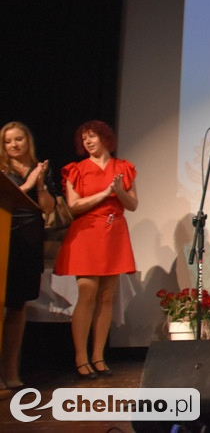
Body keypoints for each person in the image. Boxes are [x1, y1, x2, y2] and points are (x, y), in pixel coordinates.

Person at [54, 120, 138, 379]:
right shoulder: (76, 170)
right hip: (87, 233)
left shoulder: (123, 168)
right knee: (87, 292)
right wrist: (104, 194)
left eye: (93, 137)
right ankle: (81, 357)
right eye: (84, 138)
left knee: (107, 296)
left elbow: (132, 204)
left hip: (114, 232)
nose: (88, 142)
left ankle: (98, 356)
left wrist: (117, 191)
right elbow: (74, 206)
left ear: (105, 139)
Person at [1, 122, 56, 389]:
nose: (14, 145)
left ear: (27, 141)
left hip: (29, 241)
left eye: (18, 139)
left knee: (18, 305)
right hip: (4, 239)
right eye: (8, 141)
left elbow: (48, 209)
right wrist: (28, 185)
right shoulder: (2, 171)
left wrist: (40, 184)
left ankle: (11, 372)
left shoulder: (40, 168)